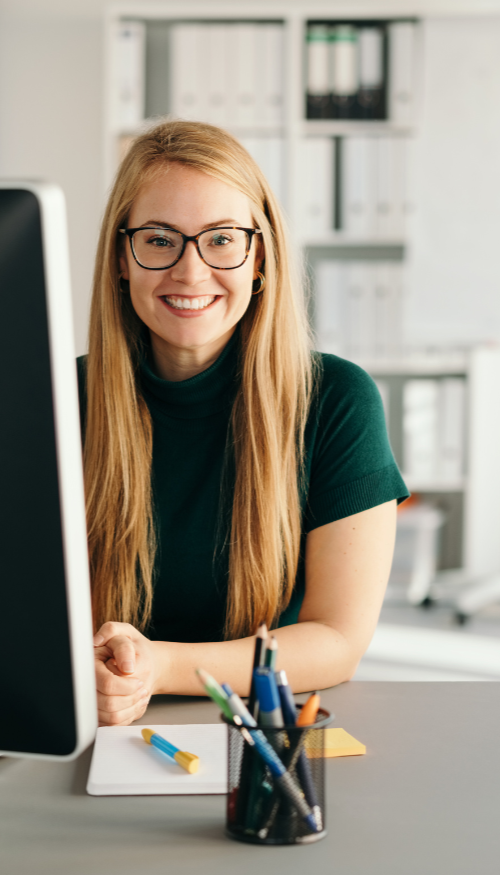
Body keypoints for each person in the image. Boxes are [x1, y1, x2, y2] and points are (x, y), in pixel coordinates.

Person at [79, 120, 408, 726]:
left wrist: (158, 668)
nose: (190, 271)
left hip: (262, 737)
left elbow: (338, 640)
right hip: (95, 729)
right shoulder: (55, 399)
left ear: (259, 256)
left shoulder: (336, 400)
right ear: (122, 259)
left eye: (222, 239)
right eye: (159, 239)